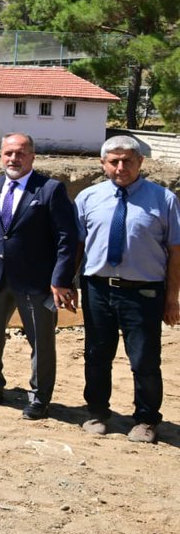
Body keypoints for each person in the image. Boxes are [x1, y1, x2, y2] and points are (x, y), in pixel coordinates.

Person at [74, 135, 180, 444]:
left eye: (128, 161)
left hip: (144, 291)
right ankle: (96, 412)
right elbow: (77, 246)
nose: (121, 167)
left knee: (145, 359)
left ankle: (146, 420)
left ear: (140, 163)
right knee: (96, 354)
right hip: (97, 289)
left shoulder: (164, 200)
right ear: (103, 164)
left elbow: (176, 251)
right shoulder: (88, 198)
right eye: (114, 161)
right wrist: (66, 282)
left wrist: (172, 297)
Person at [0, 133, 77, 419]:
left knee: (40, 341)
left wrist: (60, 279)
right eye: (8, 153)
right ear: (1, 155)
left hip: (36, 282)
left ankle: (40, 397)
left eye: (20, 153)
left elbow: (67, 238)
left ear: (32, 156)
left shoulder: (50, 190)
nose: (13, 159)